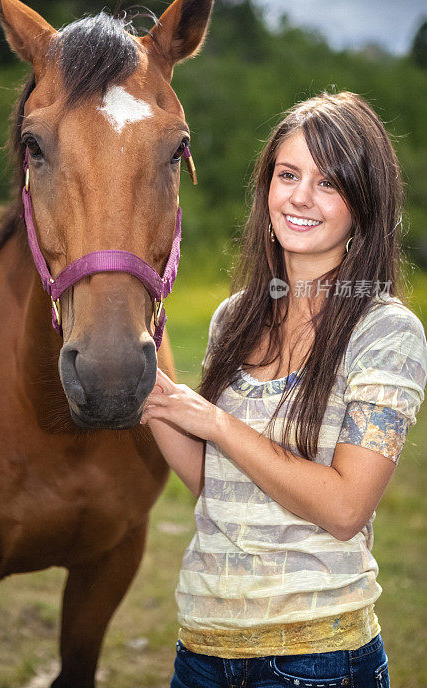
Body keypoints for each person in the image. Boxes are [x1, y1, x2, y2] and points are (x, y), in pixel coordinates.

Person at [141, 91, 427, 688]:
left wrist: (217, 423)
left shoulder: (386, 331)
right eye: (288, 174)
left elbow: (346, 509)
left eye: (328, 183)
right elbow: (213, 483)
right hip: (201, 647)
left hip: (315, 659)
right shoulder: (234, 317)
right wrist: (157, 401)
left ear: (364, 203)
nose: (300, 197)